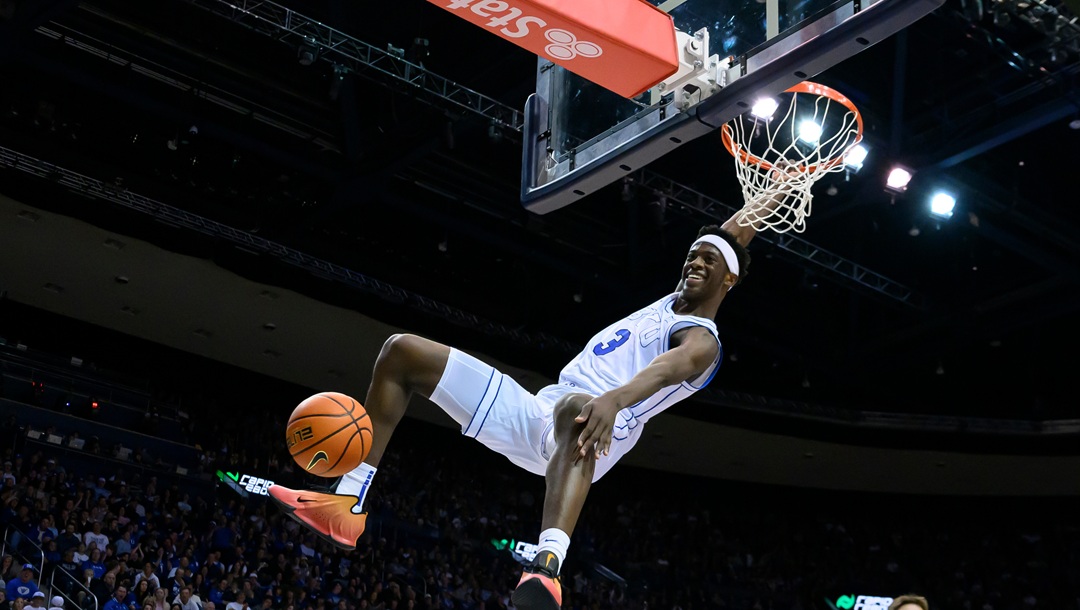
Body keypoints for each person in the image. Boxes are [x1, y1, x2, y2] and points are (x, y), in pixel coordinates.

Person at [270, 203, 768, 610]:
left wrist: (614, 401)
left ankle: (547, 568)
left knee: (582, 406)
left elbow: (670, 368)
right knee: (403, 352)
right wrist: (785, 183)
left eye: (708, 261)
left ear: (728, 282)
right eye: (692, 255)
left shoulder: (702, 340)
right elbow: (733, 232)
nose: (695, 263)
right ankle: (347, 504)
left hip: (599, 428)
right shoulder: (676, 297)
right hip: (540, 409)